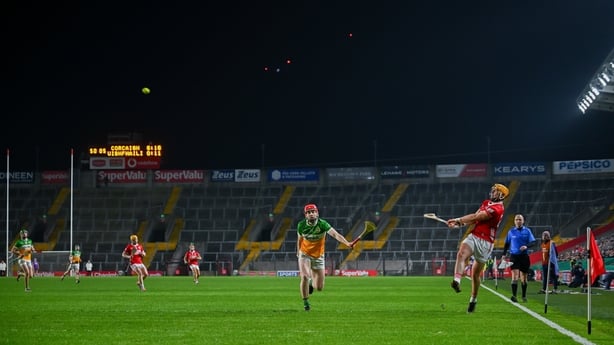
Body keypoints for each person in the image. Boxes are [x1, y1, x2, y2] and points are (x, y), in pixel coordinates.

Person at [447, 183, 508, 313]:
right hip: (474, 236)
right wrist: (458, 225)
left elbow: (477, 217)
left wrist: (458, 220)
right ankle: (457, 280)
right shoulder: (486, 202)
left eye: (496, 191)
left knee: (475, 274)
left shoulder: (498, 209)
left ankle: (473, 299)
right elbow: (474, 219)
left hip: (486, 243)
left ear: (502, 195)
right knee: (461, 253)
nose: (492, 192)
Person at [297, 203, 355, 311]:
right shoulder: (301, 225)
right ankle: (306, 303)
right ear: (305, 215)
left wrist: (347, 243)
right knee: (304, 276)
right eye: (308, 212)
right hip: (304, 254)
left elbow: (335, 235)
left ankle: (311, 283)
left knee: (319, 287)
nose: (311, 214)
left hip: (319, 256)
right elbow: (299, 240)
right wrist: (298, 253)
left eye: (313, 212)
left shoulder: (322, 224)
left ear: (317, 213)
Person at [503, 214, 536, 303]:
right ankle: (514, 296)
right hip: (514, 256)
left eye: (520, 219)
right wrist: (504, 254)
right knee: (515, 276)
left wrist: (526, 246)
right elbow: (506, 244)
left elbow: (533, 242)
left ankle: (524, 296)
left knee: (524, 278)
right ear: (514, 221)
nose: (518, 221)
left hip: (524, 257)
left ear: (523, 221)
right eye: (517, 219)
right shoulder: (511, 232)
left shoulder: (527, 231)